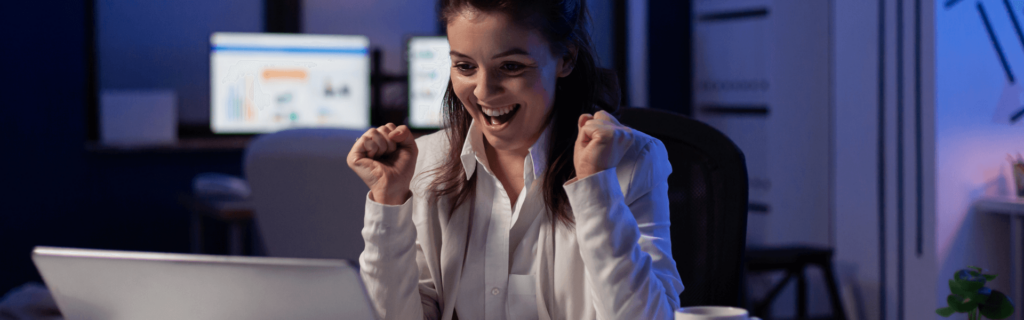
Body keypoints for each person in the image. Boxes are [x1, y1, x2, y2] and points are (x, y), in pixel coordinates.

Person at [346, 0, 684, 318]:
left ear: (566, 59)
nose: (482, 91)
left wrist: (596, 189)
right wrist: (389, 203)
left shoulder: (631, 161)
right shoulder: (428, 160)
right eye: (465, 66)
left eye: (510, 66)